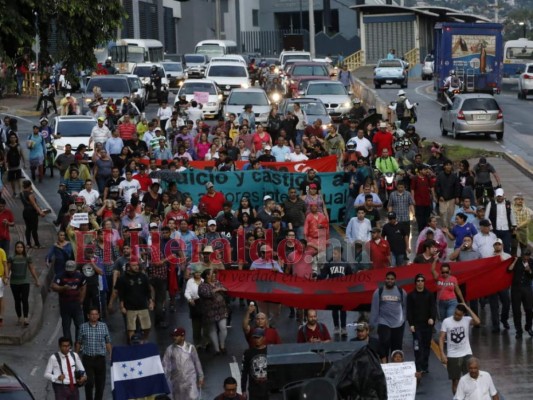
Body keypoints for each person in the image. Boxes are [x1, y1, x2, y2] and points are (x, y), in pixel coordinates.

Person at [439, 303, 481, 395]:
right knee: (455, 381)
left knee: (470, 378)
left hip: (467, 353)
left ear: (464, 315)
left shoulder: (467, 320)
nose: (456, 316)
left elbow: (477, 321)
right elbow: (441, 338)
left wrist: (468, 308)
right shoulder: (446, 321)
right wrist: (442, 354)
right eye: (455, 313)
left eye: (459, 315)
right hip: (453, 355)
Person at [370, 271, 407, 362]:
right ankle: (385, 366)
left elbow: (405, 307)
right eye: (388, 279)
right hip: (383, 322)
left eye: (392, 279)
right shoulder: (378, 292)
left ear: (395, 280)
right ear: (385, 280)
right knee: (384, 345)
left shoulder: (401, 292)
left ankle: (396, 368)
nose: (390, 281)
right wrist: (372, 325)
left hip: (398, 324)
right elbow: (374, 309)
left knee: (397, 348)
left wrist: (403, 320)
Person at [75, 308, 111, 400]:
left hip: (100, 359)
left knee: (100, 384)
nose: (94, 316)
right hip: (88, 359)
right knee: (89, 382)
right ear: (88, 316)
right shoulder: (83, 327)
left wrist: (111, 354)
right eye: (92, 314)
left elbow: (107, 341)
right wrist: (75, 355)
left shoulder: (103, 326)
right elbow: (79, 342)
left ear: (98, 315)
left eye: (96, 314)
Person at [113, 260, 153, 342]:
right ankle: (132, 343)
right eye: (134, 265)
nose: (136, 267)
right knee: (131, 328)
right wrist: (122, 306)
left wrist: (151, 301)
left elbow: (148, 291)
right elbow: (121, 293)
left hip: (143, 305)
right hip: (130, 307)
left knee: (147, 326)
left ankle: (144, 340)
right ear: (129, 267)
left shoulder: (143, 276)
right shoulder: (122, 278)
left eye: (137, 265)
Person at [162, 327, 204, 400]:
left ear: (182, 337)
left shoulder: (191, 348)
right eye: (173, 336)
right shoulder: (170, 349)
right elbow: (165, 365)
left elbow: (197, 362)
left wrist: (201, 377)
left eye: (176, 336)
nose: (174, 337)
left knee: (192, 398)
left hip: (190, 381)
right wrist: (163, 380)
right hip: (177, 382)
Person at [407, 274, 436, 375]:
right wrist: (411, 324)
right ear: (415, 283)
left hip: (427, 325)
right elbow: (409, 311)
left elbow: (433, 307)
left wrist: (432, 318)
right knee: (417, 346)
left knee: (426, 346)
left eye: (422, 280)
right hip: (416, 326)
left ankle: (425, 366)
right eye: (418, 280)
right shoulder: (411, 295)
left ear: (424, 282)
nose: (420, 282)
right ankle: (418, 366)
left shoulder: (429, 294)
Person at [319, 247, 353, 336]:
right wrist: (317, 275)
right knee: (334, 310)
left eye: (335, 253)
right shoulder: (328, 264)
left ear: (340, 254)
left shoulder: (346, 264)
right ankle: (336, 327)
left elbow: (351, 278)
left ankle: (343, 327)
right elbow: (323, 276)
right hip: (333, 291)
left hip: (343, 291)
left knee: (343, 310)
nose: (333, 255)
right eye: (333, 253)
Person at [51, 260, 86, 342]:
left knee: (80, 325)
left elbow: (83, 287)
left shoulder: (80, 276)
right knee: (66, 326)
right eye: (68, 270)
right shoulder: (60, 276)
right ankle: (68, 345)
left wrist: (81, 300)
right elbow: (54, 286)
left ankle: (79, 343)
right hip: (65, 305)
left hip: (76, 305)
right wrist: (62, 288)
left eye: (72, 270)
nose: (70, 272)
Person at [8, 241, 39, 326]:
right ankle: (19, 317)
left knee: (25, 300)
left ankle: (26, 318)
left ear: (24, 248)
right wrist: (6, 278)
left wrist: (36, 279)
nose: (19, 249)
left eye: (21, 247)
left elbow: (32, 269)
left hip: (25, 282)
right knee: (17, 300)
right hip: (14, 282)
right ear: (15, 248)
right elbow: (8, 269)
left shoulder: (27, 257)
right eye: (18, 247)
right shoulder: (11, 257)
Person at [198, 269, 228, 355]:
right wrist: (217, 289)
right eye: (212, 274)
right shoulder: (202, 286)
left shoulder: (218, 282)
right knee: (212, 329)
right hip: (210, 311)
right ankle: (217, 348)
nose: (214, 275)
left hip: (221, 310)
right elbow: (206, 294)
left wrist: (221, 289)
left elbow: (225, 289)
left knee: (223, 327)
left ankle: (222, 345)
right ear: (207, 276)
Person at [507, 248, 533, 339]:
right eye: (524, 255)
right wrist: (514, 261)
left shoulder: (531, 262)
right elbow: (509, 270)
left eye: (528, 255)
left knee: (529, 309)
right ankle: (519, 330)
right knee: (516, 310)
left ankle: (528, 326)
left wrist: (529, 270)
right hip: (516, 288)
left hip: (526, 288)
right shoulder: (517, 261)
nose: (526, 257)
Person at [241, 328, 269, 400]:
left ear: (264, 338)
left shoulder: (270, 351)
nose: (256, 340)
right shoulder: (248, 353)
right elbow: (244, 372)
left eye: (258, 338)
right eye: (255, 338)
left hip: (268, 390)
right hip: (254, 390)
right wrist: (243, 390)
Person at [20, 180, 47, 248]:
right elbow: (34, 204)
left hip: (25, 212)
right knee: (34, 229)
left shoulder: (21, 193)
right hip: (32, 212)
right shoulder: (30, 194)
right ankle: (37, 244)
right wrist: (40, 212)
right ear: (30, 185)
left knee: (28, 228)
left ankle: (28, 244)